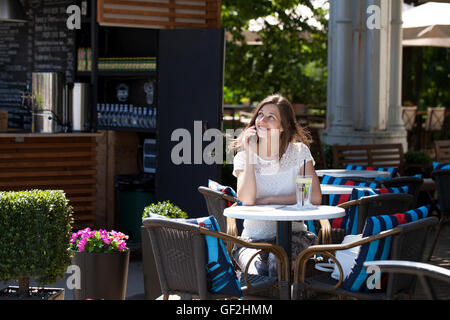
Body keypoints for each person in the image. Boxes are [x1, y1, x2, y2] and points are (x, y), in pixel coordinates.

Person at [229, 93, 322, 277]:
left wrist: (270, 199)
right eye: (260, 115)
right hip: (252, 241)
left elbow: (313, 197)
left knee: (277, 264)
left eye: (271, 117)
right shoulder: (243, 156)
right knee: (262, 272)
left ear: (283, 126)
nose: (262, 120)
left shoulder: (299, 153)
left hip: (294, 237)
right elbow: (247, 199)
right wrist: (249, 154)